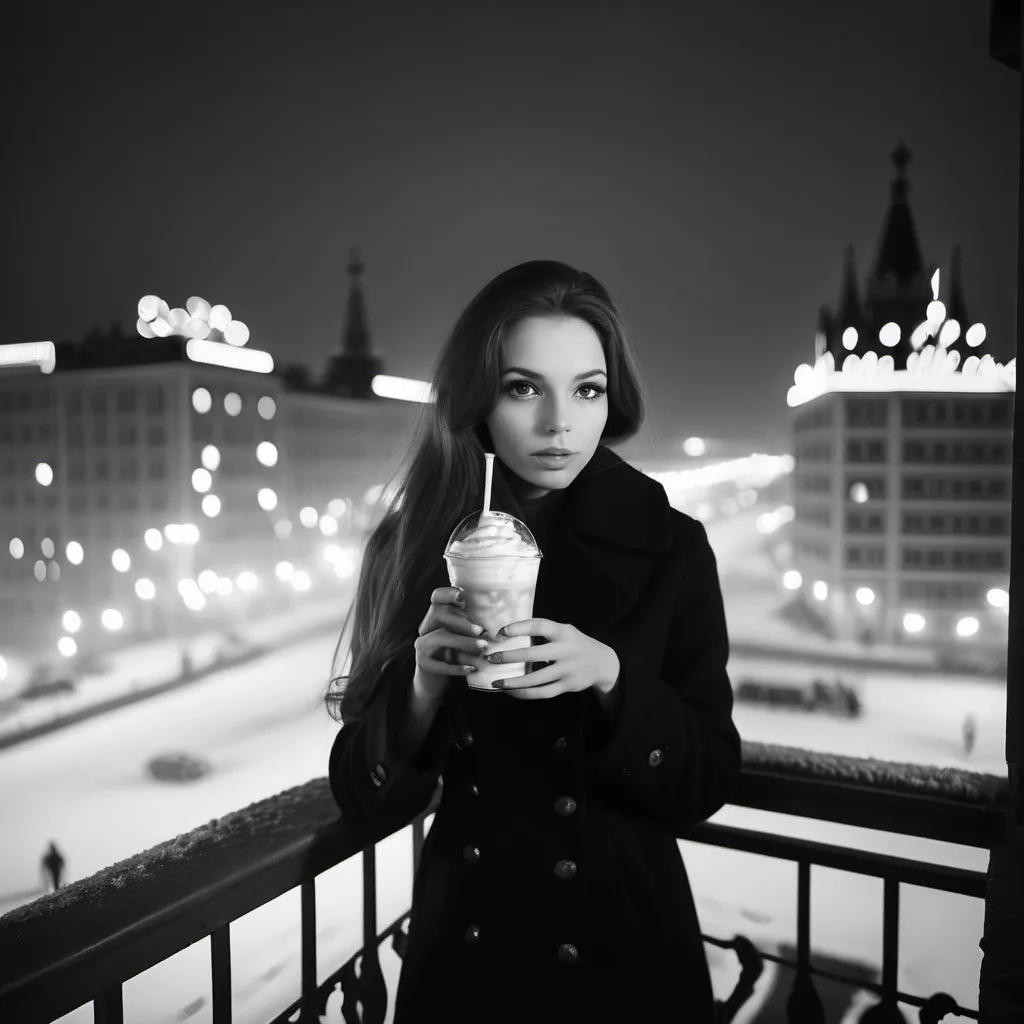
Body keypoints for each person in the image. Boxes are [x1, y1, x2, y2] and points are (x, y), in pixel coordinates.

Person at [325, 260, 742, 1023]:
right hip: (468, 955)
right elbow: (361, 792)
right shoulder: (412, 544)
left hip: (621, 957)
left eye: (587, 389)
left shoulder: (672, 548)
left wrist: (613, 677)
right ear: (479, 397)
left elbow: (707, 775)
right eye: (525, 388)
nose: (559, 424)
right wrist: (421, 689)